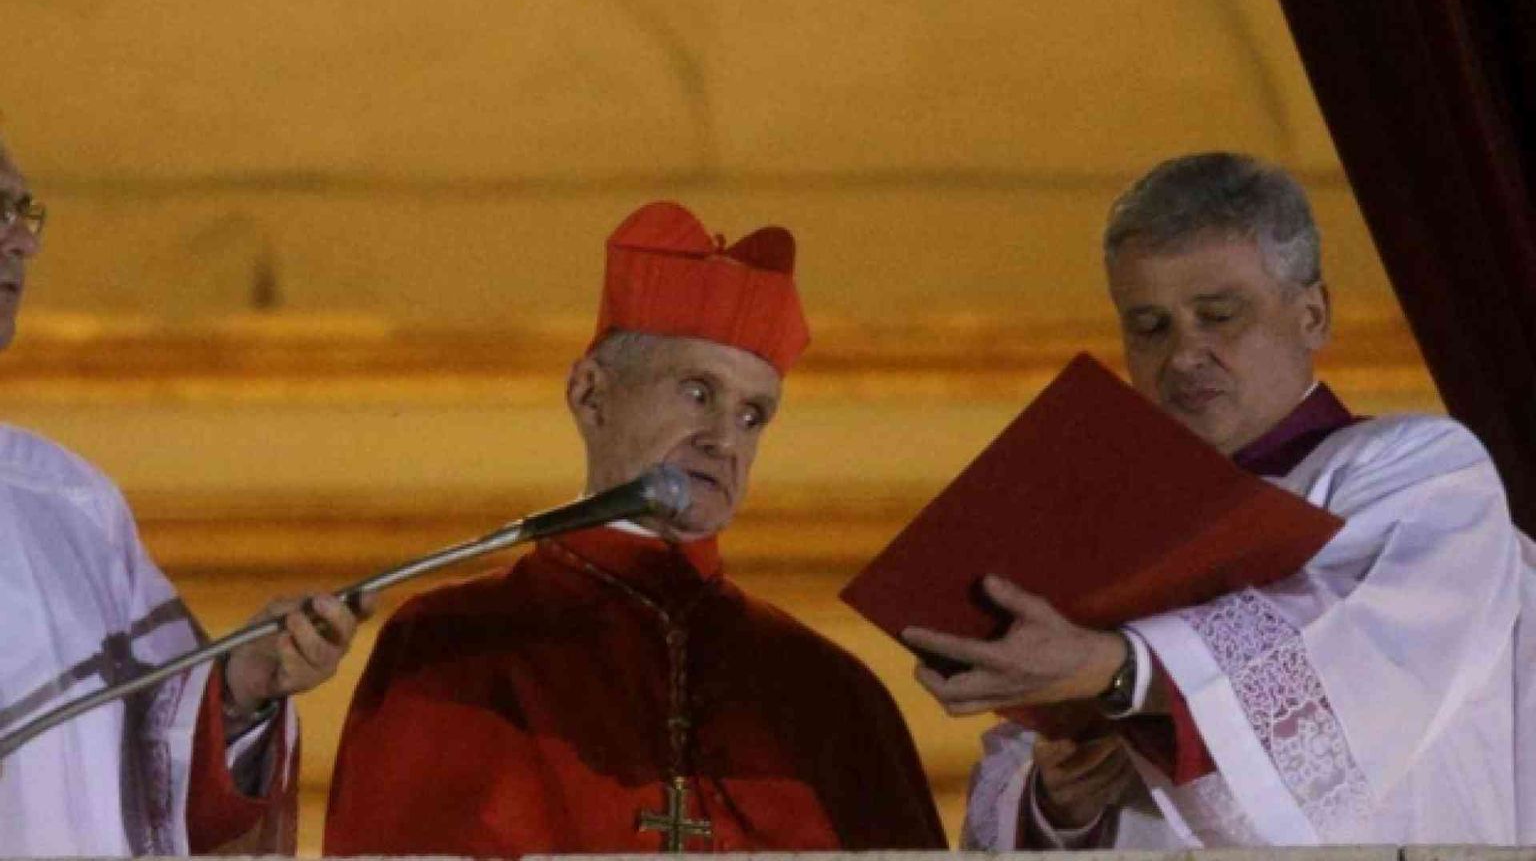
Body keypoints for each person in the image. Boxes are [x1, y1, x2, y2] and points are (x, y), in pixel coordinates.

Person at [903, 152, 1536, 848]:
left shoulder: (1420, 471)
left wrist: (1118, 669)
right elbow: (1019, 779)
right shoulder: (1098, 529)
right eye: (1149, 327)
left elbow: (1358, 663)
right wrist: (1060, 797)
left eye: (1218, 315)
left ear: (1313, 315)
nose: (1182, 355)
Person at [324, 200, 947, 854]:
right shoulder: (448, 650)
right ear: (591, 394)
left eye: (753, 415)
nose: (723, 441)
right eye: (699, 392)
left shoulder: (831, 691)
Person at [0, 136, 371, 855]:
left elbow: (161, 757)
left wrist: (241, 686)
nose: (21, 242)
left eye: (24, 213)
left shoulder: (70, 501)